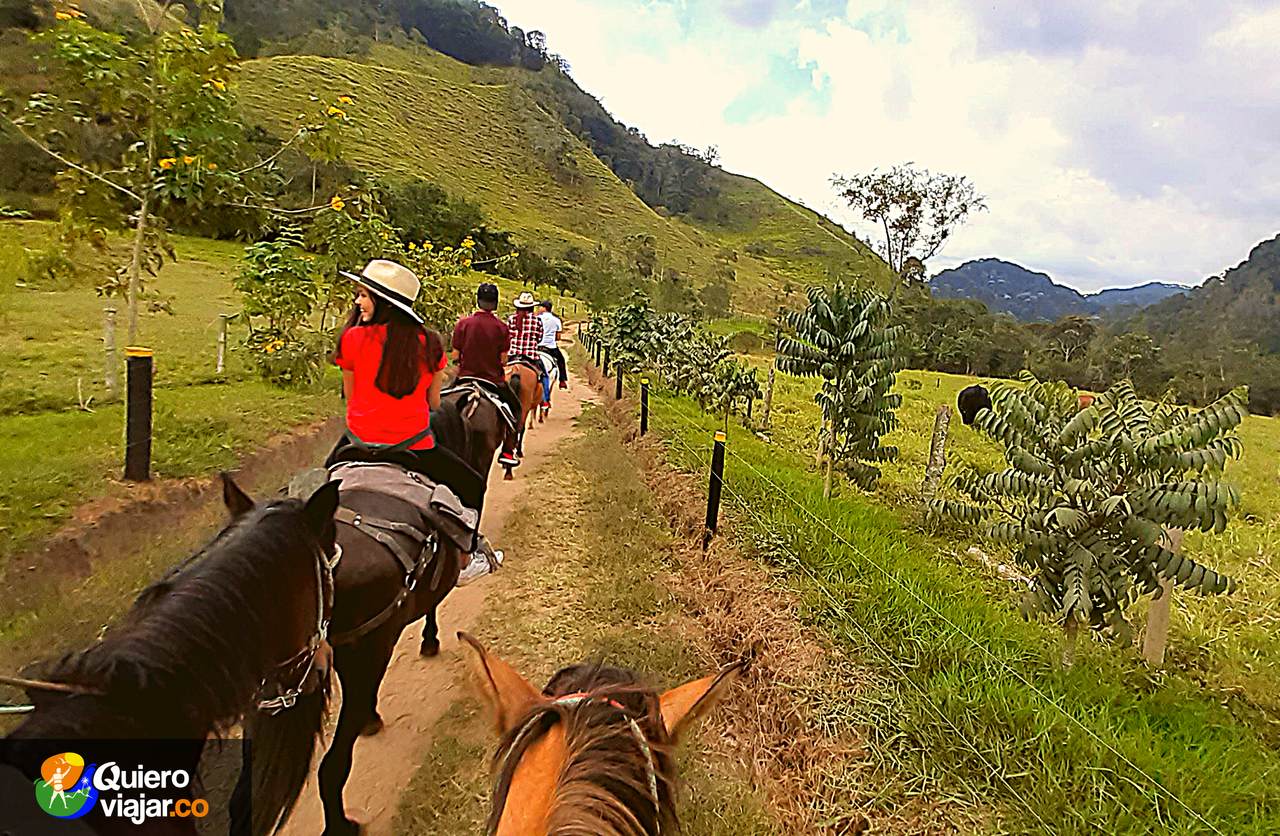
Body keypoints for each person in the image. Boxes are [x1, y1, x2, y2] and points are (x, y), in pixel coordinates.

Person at [325, 259, 492, 584]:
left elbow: (351, 396)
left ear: (383, 301)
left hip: (356, 443)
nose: (358, 302)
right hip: (415, 448)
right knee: (473, 485)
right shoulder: (430, 343)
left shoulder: (352, 338)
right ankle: (467, 557)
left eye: (363, 295)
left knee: (312, 489)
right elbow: (433, 404)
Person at [453, 282, 524, 468]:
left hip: (464, 378)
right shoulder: (501, 327)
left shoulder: (463, 324)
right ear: (495, 303)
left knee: (438, 403)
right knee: (516, 409)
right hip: (492, 381)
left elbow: (455, 356)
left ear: (478, 301)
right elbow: (503, 360)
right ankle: (508, 450)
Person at [537, 299, 568, 390]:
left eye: (540, 307)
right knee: (561, 360)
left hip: (537, 346)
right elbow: (558, 337)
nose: (538, 309)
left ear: (544, 308)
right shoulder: (557, 320)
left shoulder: (537, 318)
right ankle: (562, 381)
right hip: (551, 347)